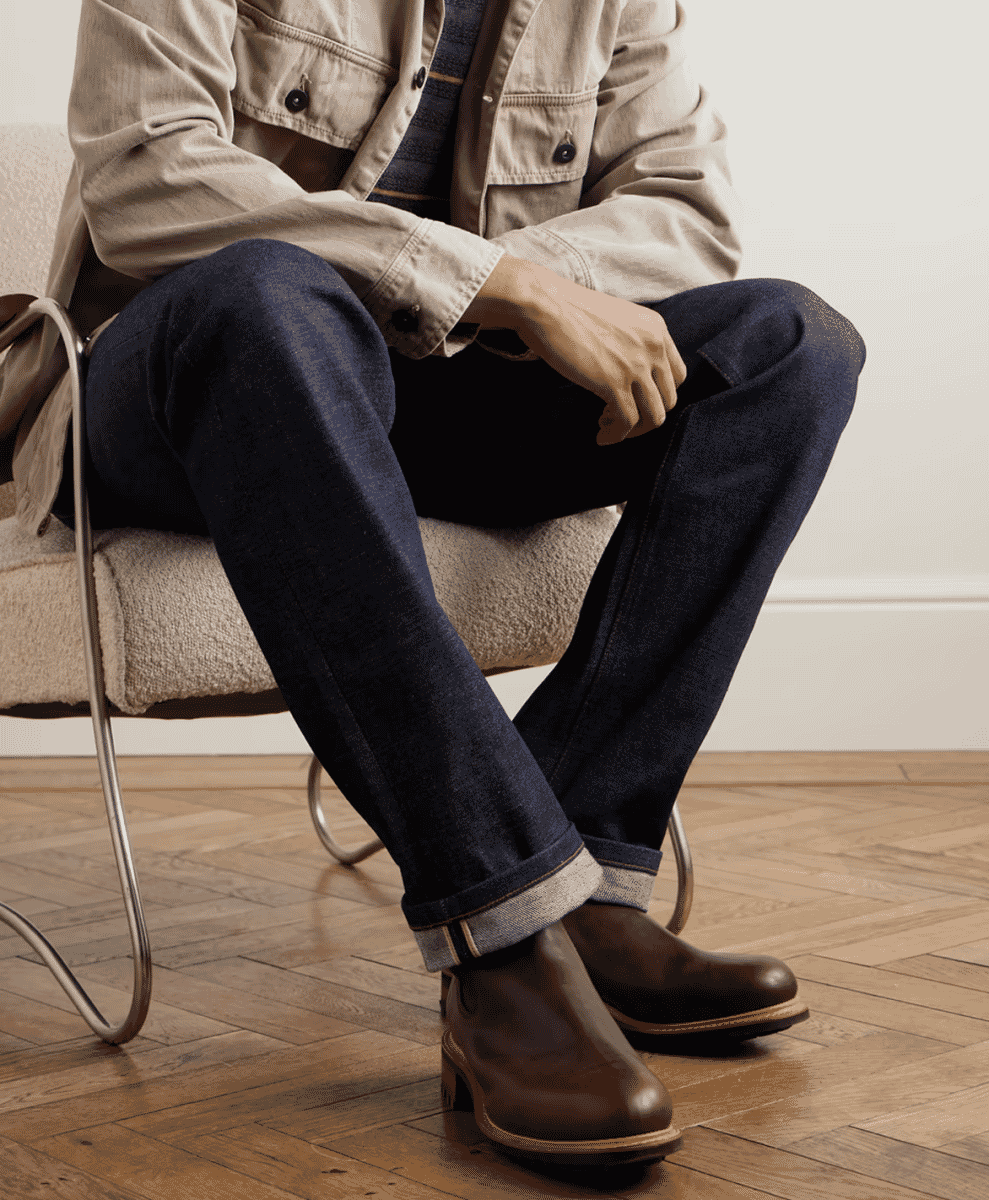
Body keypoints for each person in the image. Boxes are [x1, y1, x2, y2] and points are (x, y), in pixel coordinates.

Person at [0, 0, 865, 1169]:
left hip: (438, 386)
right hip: (186, 386)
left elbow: (689, 214)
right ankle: (500, 929)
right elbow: (146, 178)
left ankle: (582, 881)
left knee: (789, 345)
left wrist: (517, 293)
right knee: (268, 295)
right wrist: (491, 279)